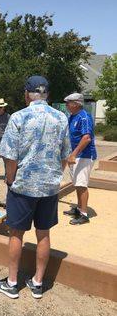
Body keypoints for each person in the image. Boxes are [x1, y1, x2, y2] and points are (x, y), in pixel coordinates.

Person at [0, 76, 71, 299]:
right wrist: (55, 176)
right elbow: (65, 156)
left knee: (16, 233)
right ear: (46, 94)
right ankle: (37, 282)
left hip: (23, 186)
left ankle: (12, 282)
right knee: (43, 234)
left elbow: (10, 158)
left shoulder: (19, 117)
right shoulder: (61, 118)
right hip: (49, 187)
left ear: (27, 94)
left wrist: (10, 180)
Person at [63, 93, 97, 225]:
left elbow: (86, 138)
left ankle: (84, 214)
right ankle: (78, 208)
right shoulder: (72, 116)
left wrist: (74, 154)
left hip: (84, 155)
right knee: (77, 183)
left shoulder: (84, 117)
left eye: (68, 102)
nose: (66, 105)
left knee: (81, 185)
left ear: (76, 104)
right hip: (76, 156)